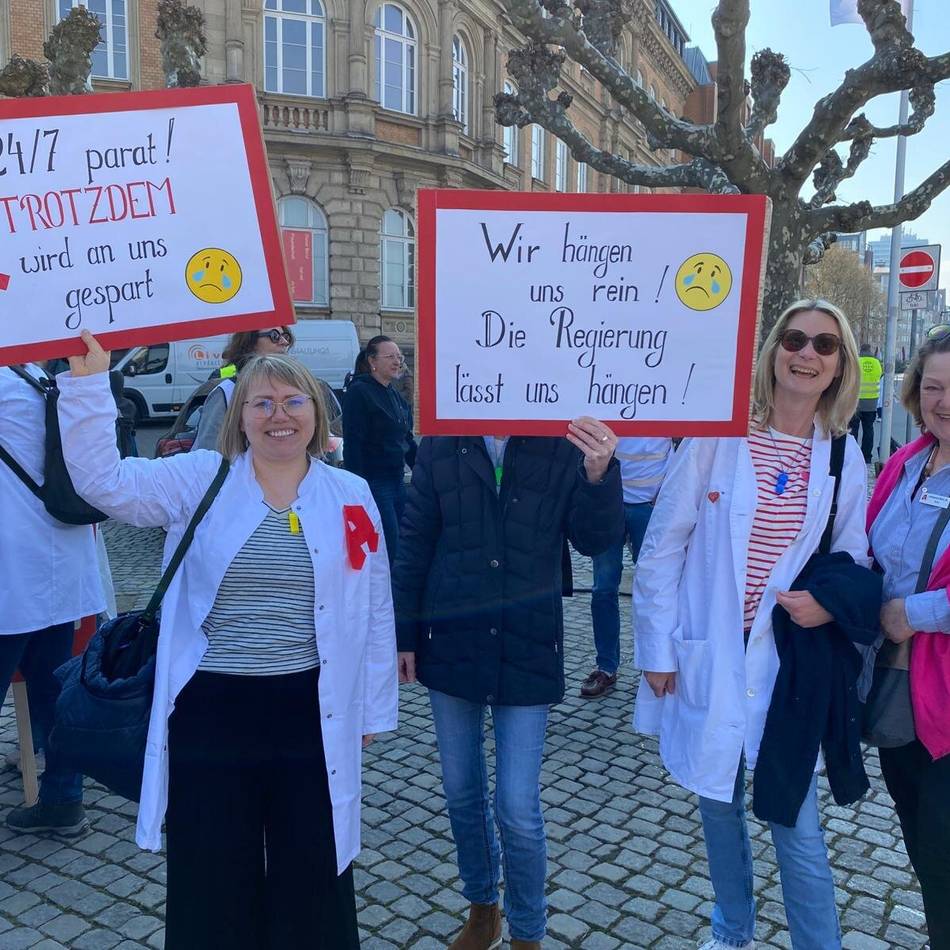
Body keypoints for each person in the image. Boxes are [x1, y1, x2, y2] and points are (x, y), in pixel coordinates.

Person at [58, 334, 398, 950]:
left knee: (315, 867)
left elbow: (374, 606)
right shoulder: (201, 478)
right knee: (212, 872)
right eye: (261, 403)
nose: (279, 416)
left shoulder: (351, 494)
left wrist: (372, 706)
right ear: (238, 417)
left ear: (317, 414)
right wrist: (87, 384)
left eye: (294, 402)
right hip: (211, 709)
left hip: (311, 709)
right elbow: (101, 482)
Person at [633, 299, 870, 950]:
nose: (807, 353)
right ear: (773, 350)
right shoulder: (719, 435)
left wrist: (826, 601)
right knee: (718, 800)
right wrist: (656, 649)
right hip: (714, 649)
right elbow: (664, 544)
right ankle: (731, 929)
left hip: (789, 663)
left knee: (796, 821)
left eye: (825, 345)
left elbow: (854, 560)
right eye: (795, 338)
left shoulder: (845, 459)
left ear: (839, 366)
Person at [392, 421, 623, 950]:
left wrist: (599, 474)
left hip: (527, 642)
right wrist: (403, 633)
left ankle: (528, 931)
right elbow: (416, 539)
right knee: (461, 791)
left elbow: (594, 539)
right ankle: (481, 907)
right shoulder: (442, 440)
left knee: (517, 804)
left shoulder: (561, 438)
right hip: (450, 635)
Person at [865, 323, 950, 949]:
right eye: (933, 386)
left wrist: (912, 614)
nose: (943, 400)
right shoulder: (905, 460)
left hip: (945, 693)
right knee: (920, 833)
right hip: (896, 687)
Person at [0, 362, 105, 836]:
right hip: (61, 554)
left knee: (49, 690)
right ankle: (64, 799)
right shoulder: (37, 373)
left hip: (11, 561)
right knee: (53, 692)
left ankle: (63, 800)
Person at [581, 436, 672, 698]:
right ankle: (606, 667)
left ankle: (656, 663)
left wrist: (668, 491)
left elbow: (685, 439)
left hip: (650, 505)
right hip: (609, 501)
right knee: (603, 589)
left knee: (655, 590)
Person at [342, 335, 417, 564]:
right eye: (390, 356)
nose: (397, 361)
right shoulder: (360, 392)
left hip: (397, 481)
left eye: (399, 356)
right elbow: (353, 444)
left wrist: (425, 472)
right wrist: (357, 488)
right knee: (388, 547)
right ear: (372, 361)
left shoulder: (393, 394)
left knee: (404, 543)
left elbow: (407, 440)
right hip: (375, 483)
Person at [849, 342, 882, 464]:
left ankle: (853, 455)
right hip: (871, 403)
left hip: (855, 402)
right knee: (869, 429)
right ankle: (867, 456)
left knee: (853, 430)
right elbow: (879, 377)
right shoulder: (877, 363)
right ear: (870, 350)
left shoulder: (855, 362)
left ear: (860, 350)